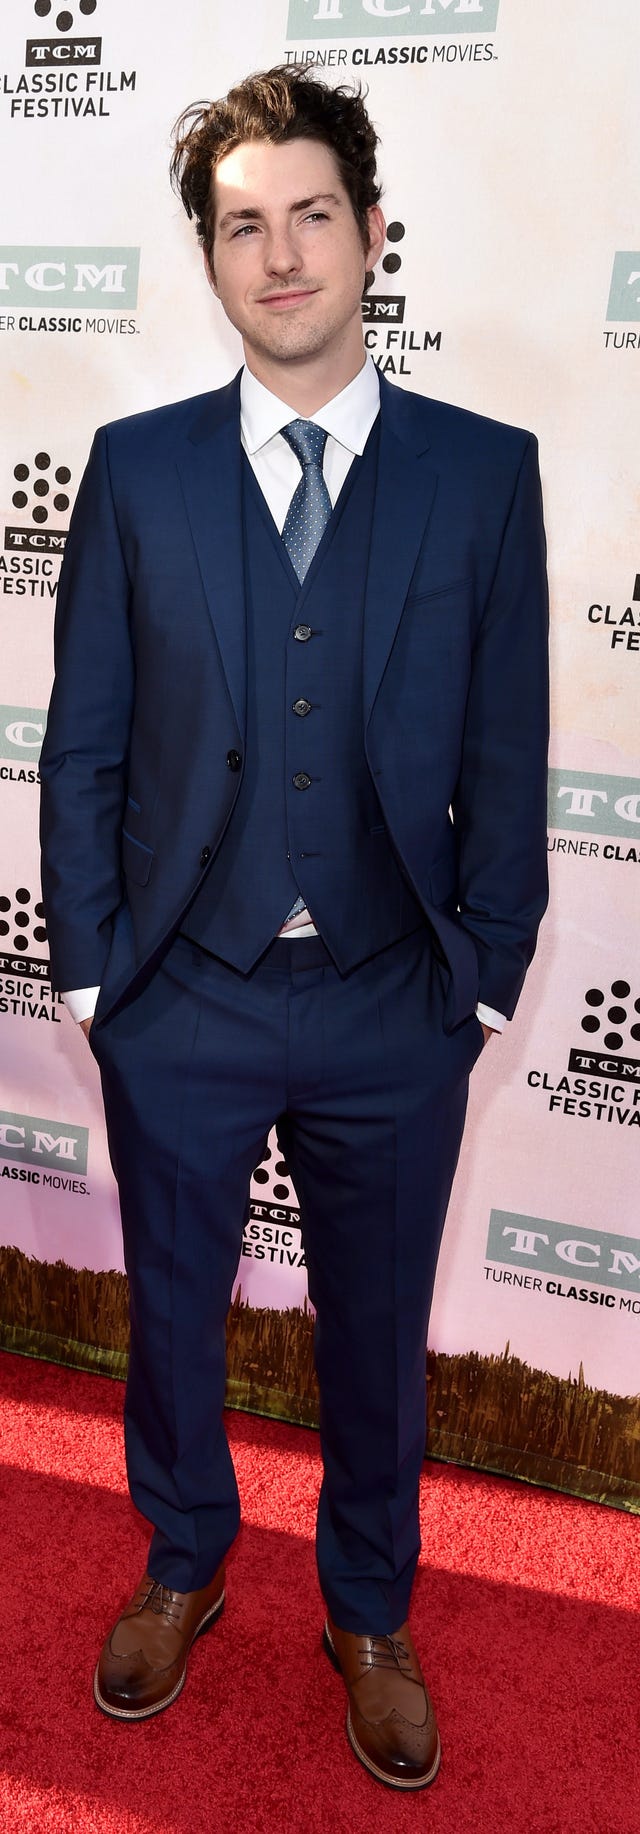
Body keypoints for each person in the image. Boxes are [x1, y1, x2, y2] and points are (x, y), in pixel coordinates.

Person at [39, 64, 549, 1790]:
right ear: (210, 256)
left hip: (398, 996)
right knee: (174, 1307)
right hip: (180, 990)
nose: (281, 255)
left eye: (312, 214)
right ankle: (185, 1555)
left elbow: (508, 747)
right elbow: (85, 742)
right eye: (243, 224)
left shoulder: (484, 476)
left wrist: (484, 980)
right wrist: (98, 975)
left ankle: (372, 1608)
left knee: (377, 1331)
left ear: (373, 232)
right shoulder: (137, 472)